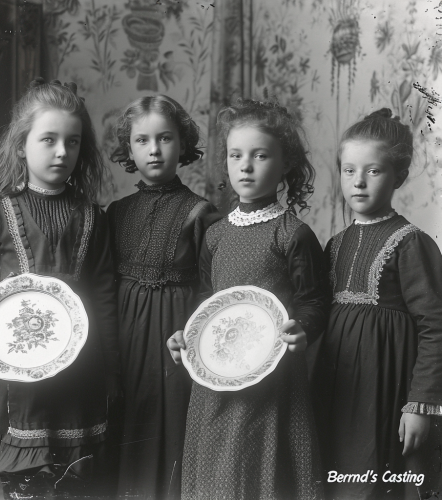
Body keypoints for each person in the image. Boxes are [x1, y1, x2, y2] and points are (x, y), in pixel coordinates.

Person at [0, 78, 120, 499]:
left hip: (80, 372)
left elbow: (102, 293)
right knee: (27, 483)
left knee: (75, 482)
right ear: (22, 145)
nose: (63, 152)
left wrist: (111, 366)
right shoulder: (1, 211)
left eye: (73, 142)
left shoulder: (92, 217)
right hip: (19, 374)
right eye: (49, 139)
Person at [167, 98, 327, 500]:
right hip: (217, 377)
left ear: (285, 163)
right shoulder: (216, 233)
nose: (246, 165)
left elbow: (314, 300)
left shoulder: (293, 234)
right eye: (236, 155)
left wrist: (301, 328)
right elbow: (208, 297)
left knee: (260, 469)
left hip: (271, 378)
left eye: (260, 155)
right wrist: (186, 336)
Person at [313, 108, 442, 499]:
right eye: (349, 170)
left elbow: (435, 327)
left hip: (386, 392)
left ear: (398, 177)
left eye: (374, 171)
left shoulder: (411, 242)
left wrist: (420, 405)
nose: (359, 182)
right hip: (339, 390)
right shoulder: (334, 244)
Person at [107, 95, 218, 500]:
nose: (154, 150)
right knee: (126, 425)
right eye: (142, 141)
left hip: (175, 340)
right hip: (125, 337)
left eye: (165, 138)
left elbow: (212, 289)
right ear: (129, 149)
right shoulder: (116, 213)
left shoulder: (201, 213)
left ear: (183, 144)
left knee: (170, 427)